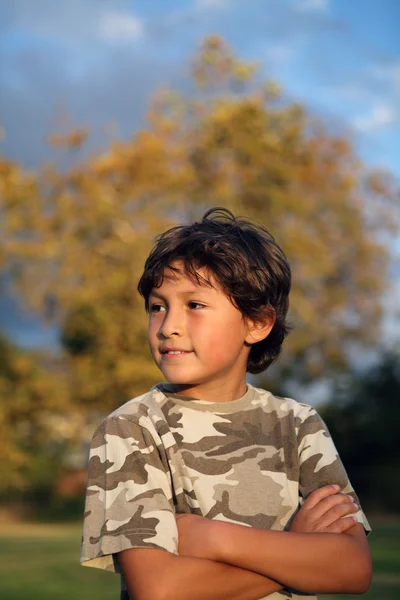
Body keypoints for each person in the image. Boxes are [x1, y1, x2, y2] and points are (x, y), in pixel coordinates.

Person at [80, 207, 372, 600]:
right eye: (157, 306)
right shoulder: (132, 428)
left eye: (195, 305)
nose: (168, 327)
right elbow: (161, 590)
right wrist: (298, 551)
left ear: (257, 323)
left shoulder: (299, 425)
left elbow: (352, 569)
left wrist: (216, 538)